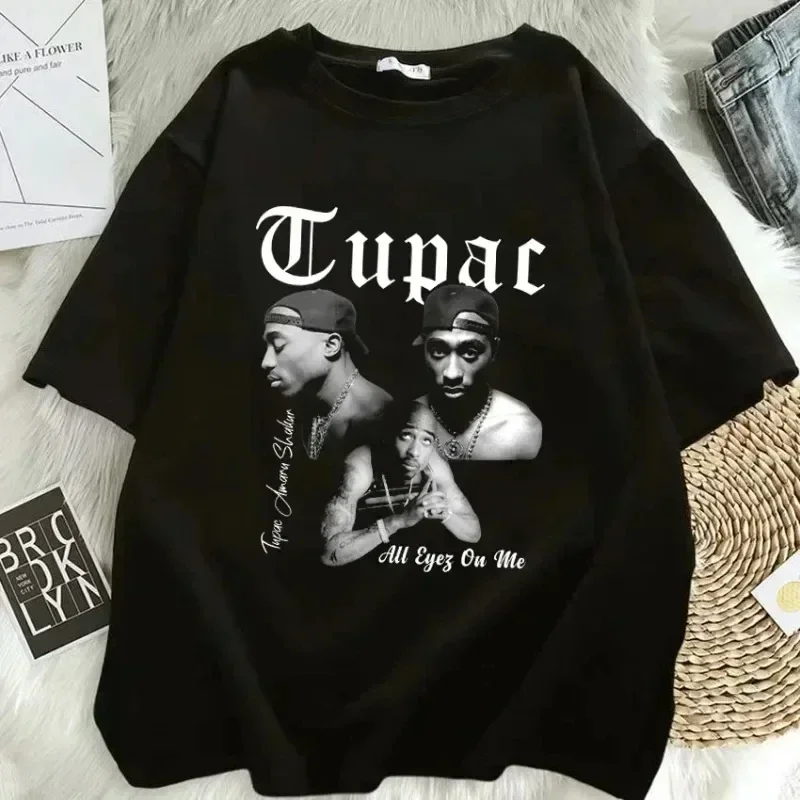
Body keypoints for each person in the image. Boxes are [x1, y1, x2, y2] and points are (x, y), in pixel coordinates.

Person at [320, 400, 480, 567]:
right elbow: (328, 554)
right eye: (406, 435)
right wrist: (399, 521)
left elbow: (474, 533)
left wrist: (445, 513)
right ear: (388, 436)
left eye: (426, 440)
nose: (414, 452)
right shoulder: (359, 469)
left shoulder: (434, 468)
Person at [413, 284, 542, 460]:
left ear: (494, 350)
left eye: (469, 353)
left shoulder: (520, 428)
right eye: (438, 351)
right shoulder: (402, 420)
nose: (452, 374)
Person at [262, 289, 391, 459]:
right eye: (267, 347)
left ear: (331, 346)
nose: (266, 362)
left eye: (278, 345)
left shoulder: (377, 417)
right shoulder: (312, 406)